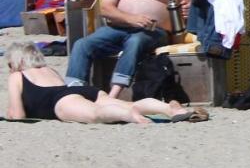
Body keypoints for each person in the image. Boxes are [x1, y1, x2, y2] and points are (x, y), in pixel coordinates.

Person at [65, 0, 190, 99]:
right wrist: (131, 19)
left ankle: (113, 95)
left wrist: (188, 8)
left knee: (135, 41)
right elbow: (106, 8)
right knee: (82, 44)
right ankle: (74, 92)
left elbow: (188, 1)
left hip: (155, 31)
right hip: (119, 27)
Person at [7, 40, 201, 124]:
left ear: (18, 61)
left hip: (60, 102)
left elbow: (18, 115)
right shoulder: (49, 70)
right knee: (130, 103)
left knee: (95, 114)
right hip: (83, 91)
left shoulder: (16, 76)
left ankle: (130, 116)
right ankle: (171, 109)